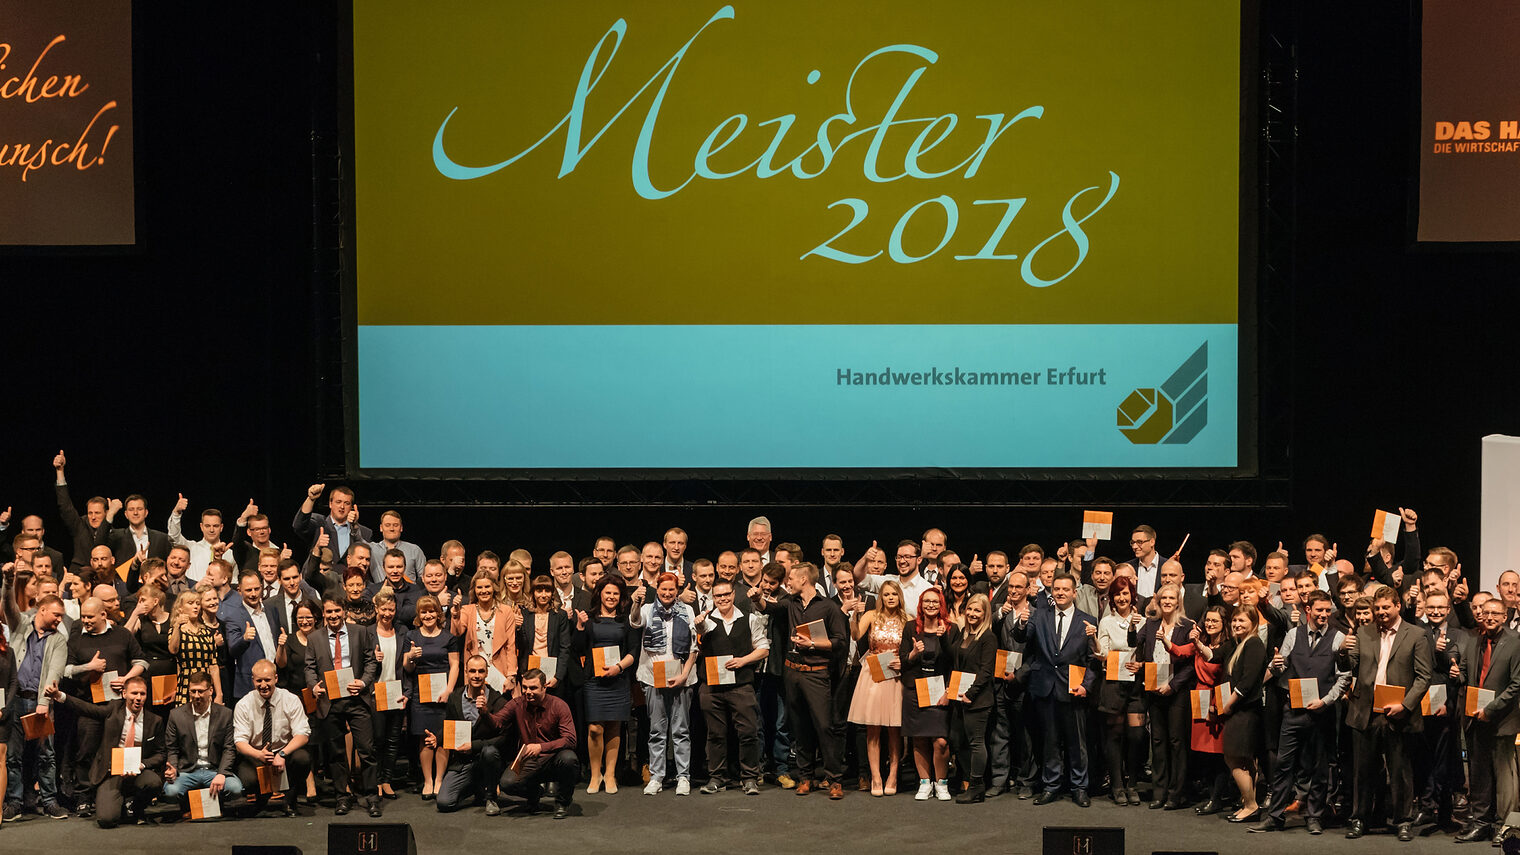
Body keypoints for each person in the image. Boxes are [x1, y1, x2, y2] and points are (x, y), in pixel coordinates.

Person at [1338, 584, 1434, 841]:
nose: (1380, 612)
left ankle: (1403, 821)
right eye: (1377, 608)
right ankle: (1359, 819)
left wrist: (1406, 705)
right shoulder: (1363, 632)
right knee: (1363, 770)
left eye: (1385, 607)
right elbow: (1352, 667)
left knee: (1400, 770)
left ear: (1397, 606)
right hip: (1365, 710)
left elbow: (1424, 677)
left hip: (1398, 711)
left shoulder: (1416, 634)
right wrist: (1342, 652)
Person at [1253, 589, 1350, 835]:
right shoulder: (1293, 635)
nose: (1324, 615)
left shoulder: (1339, 638)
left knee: (1318, 767)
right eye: (1319, 610)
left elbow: (1344, 677)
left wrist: (1326, 701)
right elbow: (1280, 666)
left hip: (1321, 713)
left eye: (1328, 611)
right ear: (1308, 610)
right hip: (1293, 711)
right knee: (1284, 765)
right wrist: (1276, 666)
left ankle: (1314, 816)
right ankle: (1275, 816)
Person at [755, 561, 849, 800]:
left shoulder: (829, 607)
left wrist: (814, 644)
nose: (789, 583)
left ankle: (834, 779)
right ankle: (805, 777)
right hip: (792, 672)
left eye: (792, 579)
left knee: (824, 726)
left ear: (804, 579)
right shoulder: (789, 603)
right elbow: (770, 609)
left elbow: (840, 641)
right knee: (799, 726)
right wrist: (757, 599)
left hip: (817, 673)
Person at [1013, 572, 1099, 807]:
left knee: (1077, 743)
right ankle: (1051, 786)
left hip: (1074, 689)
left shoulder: (1088, 620)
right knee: (1050, 741)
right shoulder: (1039, 615)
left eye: (1065, 589)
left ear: (1074, 593)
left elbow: (1094, 660)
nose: (1060, 593)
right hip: (1045, 687)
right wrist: (1021, 622)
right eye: (1056, 589)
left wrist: (1086, 686)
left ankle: (1079, 788)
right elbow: (1021, 638)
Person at [64, 595, 148, 818]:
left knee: (119, 750)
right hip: (89, 706)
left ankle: (122, 794)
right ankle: (84, 797)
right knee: (85, 751)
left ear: (103, 614)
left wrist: (127, 679)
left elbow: (142, 662)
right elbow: (66, 671)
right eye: (82, 616)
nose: (85, 620)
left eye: (90, 616)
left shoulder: (122, 635)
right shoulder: (77, 639)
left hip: (119, 708)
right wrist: (87, 667)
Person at [44, 674, 163, 827]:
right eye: (134, 693)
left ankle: (135, 806)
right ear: (124, 694)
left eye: (142, 693)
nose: (138, 698)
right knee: (106, 820)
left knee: (154, 783)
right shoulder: (113, 710)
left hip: (138, 772)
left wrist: (142, 764)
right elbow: (86, 708)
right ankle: (120, 803)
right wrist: (59, 695)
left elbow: (161, 754)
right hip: (111, 772)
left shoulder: (155, 721)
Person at [306, 594, 382, 817]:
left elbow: (370, 661)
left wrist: (364, 681)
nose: (333, 616)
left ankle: (371, 797)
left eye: (337, 611)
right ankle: (342, 796)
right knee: (336, 753)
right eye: (329, 612)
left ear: (345, 612)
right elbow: (309, 667)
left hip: (357, 698)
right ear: (323, 614)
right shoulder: (315, 638)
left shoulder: (360, 632)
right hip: (330, 701)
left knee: (366, 751)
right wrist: (313, 686)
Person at [1454, 597, 1520, 844]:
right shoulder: (1474, 641)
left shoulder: (1515, 642)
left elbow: (1516, 685)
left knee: (1504, 779)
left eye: (1495, 613)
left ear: (1505, 616)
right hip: (1474, 718)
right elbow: (1466, 673)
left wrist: (1491, 709)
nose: (1490, 617)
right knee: (1479, 775)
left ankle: (1505, 827)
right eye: (1486, 612)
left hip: (1501, 720)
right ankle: (1481, 823)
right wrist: (1456, 674)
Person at [628, 572, 700, 795]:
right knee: (657, 730)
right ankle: (657, 776)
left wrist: (684, 675)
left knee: (681, 730)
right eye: (663, 589)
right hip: (653, 677)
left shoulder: (687, 610)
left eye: (671, 589)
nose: (667, 593)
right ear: (657, 590)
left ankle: (683, 777)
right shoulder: (647, 609)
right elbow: (635, 621)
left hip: (682, 678)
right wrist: (635, 603)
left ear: (677, 590)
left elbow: (693, 648)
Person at [695, 578, 767, 795]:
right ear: (713, 598)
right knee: (715, 734)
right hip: (712, 686)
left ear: (734, 595)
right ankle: (717, 777)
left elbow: (763, 648)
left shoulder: (749, 619)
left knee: (748, 732)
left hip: (741, 684)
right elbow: (700, 632)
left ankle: (749, 778)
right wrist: (699, 624)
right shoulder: (708, 620)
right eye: (718, 596)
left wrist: (743, 660)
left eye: (726, 594)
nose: (723, 599)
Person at [1132, 582, 1196, 810]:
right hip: (1153, 689)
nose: (1167, 602)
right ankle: (1159, 793)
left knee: (1177, 742)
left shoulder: (1187, 626)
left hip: (1176, 692)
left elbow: (1191, 664)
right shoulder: (1150, 624)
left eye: (1171, 598)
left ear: (1178, 601)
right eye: (1163, 598)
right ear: (1158, 601)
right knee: (1157, 741)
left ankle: (1176, 794)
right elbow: (1136, 645)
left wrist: (1173, 685)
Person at [488, 668, 578, 819]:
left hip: (552, 757)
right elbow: (497, 722)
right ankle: (534, 792)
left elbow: (570, 739)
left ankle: (563, 802)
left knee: (569, 759)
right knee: (506, 784)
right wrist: (484, 712)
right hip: (527, 759)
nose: (528, 691)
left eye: (533, 688)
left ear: (544, 687)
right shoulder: (517, 704)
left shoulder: (559, 705)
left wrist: (541, 747)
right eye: (525, 687)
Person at [574, 578, 637, 794]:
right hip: (594, 680)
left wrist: (618, 668)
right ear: (599, 593)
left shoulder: (625, 620)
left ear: (621, 597)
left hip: (618, 679)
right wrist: (580, 627)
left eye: (616, 594)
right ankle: (595, 774)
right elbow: (579, 648)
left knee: (613, 727)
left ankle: (610, 775)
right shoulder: (589, 619)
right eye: (607, 593)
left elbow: (633, 652)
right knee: (594, 729)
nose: (611, 597)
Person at [1209, 605, 1268, 823]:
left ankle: (1252, 805)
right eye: (1234, 621)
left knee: (1233, 757)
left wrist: (1228, 705)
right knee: (1242, 760)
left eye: (1242, 621)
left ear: (1253, 623)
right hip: (1239, 711)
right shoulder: (1237, 644)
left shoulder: (1254, 644)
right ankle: (1248, 803)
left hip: (1245, 712)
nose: (1237, 624)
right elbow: (1212, 656)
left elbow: (1247, 682)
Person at [900, 586, 959, 801]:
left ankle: (941, 783)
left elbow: (956, 661)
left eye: (935, 601)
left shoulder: (951, 629)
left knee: (941, 741)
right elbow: (903, 661)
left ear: (941, 604)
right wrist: (914, 654)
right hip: (915, 690)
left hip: (940, 690)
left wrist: (949, 691)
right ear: (921, 604)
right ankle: (925, 783)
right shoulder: (910, 628)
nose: (931, 605)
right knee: (919, 739)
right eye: (927, 601)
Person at [232, 660, 313, 816]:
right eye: (259, 680)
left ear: (276, 678)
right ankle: (261, 799)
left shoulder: (291, 699)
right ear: (253, 681)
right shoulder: (244, 704)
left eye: (267, 680)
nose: (263, 685)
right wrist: (259, 755)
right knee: (247, 778)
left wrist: (282, 754)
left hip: (284, 752)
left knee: (302, 758)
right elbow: (240, 742)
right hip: (256, 754)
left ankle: (290, 801)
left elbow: (303, 735)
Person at [1095, 576, 1146, 805]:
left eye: (1125, 593)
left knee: (1136, 735)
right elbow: (1103, 654)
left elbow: (1148, 653)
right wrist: (1105, 655)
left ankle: (1132, 782)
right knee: (1114, 736)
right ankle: (1117, 785)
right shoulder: (1106, 622)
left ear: (1132, 596)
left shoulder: (1143, 621)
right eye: (1117, 594)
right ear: (1112, 599)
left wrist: (1141, 665)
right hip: (1113, 684)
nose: (1121, 598)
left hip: (1136, 685)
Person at [434, 654, 508, 814]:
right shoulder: (455, 697)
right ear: (466, 672)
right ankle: (475, 786)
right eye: (472, 671)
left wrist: (474, 745)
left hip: (486, 758)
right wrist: (437, 738)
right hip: (463, 763)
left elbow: (504, 738)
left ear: (487, 673)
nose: (476, 675)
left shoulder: (498, 701)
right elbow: (449, 726)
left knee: (490, 752)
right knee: (444, 803)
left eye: (481, 671)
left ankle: (490, 797)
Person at [161, 670, 244, 811]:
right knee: (171, 792)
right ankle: (191, 808)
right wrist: (173, 768)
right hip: (188, 770)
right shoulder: (176, 715)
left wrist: (222, 774)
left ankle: (215, 807)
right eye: (192, 691)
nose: (196, 696)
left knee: (235, 788)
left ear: (210, 690)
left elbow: (229, 748)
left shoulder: (225, 714)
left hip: (214, 769)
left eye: (200, 691)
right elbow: (172, 749)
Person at [404, 594, 460, 800]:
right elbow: (406, 667)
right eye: (423, 612)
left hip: (443, 691)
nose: (428, 615)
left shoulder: (448, 637)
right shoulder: (411, 636)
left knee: (442, 737)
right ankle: (427, 780)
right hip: (421, 693)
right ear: (418, 615)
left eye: (431, 611)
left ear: (438, 613)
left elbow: (455, 665)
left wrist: (448, 691)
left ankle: (439, 780)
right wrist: (411, 657)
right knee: (425, 737)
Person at [950, 593, 997, 803]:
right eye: (969, 609)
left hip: (977, 699)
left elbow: (986, 671)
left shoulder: (988, 637)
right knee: (957, 740)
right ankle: (970, 780)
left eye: (977, 610)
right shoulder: (963, 633)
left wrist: (970, 694)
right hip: (959, 696)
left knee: (976, 742)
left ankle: (977, 785)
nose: (972, 613)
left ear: (985, 614)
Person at [1189, 606, 1232, 815]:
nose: (1210, 624)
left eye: (1215, 621)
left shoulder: (1227, 646)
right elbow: (1179, 651)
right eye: (1208, 620)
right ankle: (1210, 795)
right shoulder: (1201, 643)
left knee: (1218, 753)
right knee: (1202, 752)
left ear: (1224, 624)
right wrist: (1164, 640)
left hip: (1218, 697)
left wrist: (1216, 703)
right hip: (1200, 696)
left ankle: (1217, 798)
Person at [222, 569, 285, 705]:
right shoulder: (233, 616)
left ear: (261, 587)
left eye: (257, 589)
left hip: (275, 681)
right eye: (248, 590)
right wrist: (244, 638)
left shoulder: (271, 609)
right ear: (239, 591)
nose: (253, 594)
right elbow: (233, 649)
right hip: (250, 685)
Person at [452, 570, 520, 697]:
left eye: (487, 586)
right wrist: (456, 613)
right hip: (476, 673)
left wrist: (511, 675)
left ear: (494, 588)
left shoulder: (506, 611)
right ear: (474, 590)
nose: (484, 591)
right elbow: (457, 632)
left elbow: (511, 645)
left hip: (500, 672)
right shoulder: (467, 610)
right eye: (479, 587)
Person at [370, 591, 408, 799]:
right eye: (383, 609)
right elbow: (361, 665)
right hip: (376, 693)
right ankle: (375, 781)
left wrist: (407, 693)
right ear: (376, 609)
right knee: (377, 739)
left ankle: (386, 780)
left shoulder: (402, 631)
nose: (387, 613)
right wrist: (373, 658)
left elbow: (407, 668)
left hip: (395, 693)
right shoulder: (367, 633)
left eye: (391, 609)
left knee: (394, 740)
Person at [124, 583, 175, 714]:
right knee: (151, 712)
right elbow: (124, 638)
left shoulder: (173, 619)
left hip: (170, 670)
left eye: (143, 600)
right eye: (138, 600)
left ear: (156, 601)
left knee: (169, 709)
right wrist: (135, 613)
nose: (139, 603)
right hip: (149, 672)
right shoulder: (141, 620)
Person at [517, 576, 571, 693]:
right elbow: (521, 648)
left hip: (552, 672)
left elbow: (565, 648)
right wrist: (523, 672)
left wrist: (558, 676)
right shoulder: (525, 614)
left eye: (547, 591)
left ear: (552, 593)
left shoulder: (560, 615)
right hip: (529, 671)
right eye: (539, 591)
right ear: (533, 593)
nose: (543, 595)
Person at [291, 484, 372, 562]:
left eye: (347, 503)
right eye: (338, 502)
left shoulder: (364, 533)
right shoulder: (319, 525)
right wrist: (311, 499)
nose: (342, 507)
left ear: (352, 507)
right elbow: (299, 526)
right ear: (330, 504)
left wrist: (355, 526)